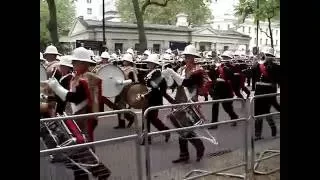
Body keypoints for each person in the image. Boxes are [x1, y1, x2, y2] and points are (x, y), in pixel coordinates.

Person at [47, 47, 111, 180]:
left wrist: (57, 88)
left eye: (76, 62)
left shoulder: (87, 78)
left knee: (83, 150)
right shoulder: (79, 77)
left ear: (84, 63)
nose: (74, 64)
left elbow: (76, 98)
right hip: (78, 117)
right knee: (80, 150)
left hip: (85, 118)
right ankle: (99, 173)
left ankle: (100, 172)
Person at [163, 45, 208, 163]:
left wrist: (172, 73)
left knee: (185, 129)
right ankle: (184, 154)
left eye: (189, 56)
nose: (187, 58)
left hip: (190, 101)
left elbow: (187, 83)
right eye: (186, 56)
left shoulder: (198, 70)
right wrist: (167, 76)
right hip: (179, 100)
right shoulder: (181, 69)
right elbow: (173, 85)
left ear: (194, 57)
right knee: (180, 129)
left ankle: (199, 146)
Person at [140, 54, 174, 145]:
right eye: (148, 62)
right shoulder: (150, 72)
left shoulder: (158, 73)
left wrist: (146, 94)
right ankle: (147, 138)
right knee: (146, 118)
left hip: (154, 98)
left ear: (154, 64)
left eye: (150, 63)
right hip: (148, 98)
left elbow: (155, 87)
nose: (148, 64)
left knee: (152, 119)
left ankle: (165, 131)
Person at [251, 48, 280, 140]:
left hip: (268, 91)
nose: (266, 57)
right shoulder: (258, 65)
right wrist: (254, 64)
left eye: (269, 55)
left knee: (266, 113)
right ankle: (258, 134)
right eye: (266, 55)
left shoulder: (276, 67)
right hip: (258, 91)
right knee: (257, 114)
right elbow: (251, 75)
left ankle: (273, 129)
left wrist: (270, 68)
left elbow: (277, 80)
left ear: (272, 57)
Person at [207, 51, 239, 129]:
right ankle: (214, 123)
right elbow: (212, 76)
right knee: (215, 107)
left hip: (226, 90)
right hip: (217, 89)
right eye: (223, 57)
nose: (224, 59)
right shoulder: (218, 66)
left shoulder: (231, 67)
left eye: (226, 57)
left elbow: (232, 77)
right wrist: (211, 68)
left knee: (227, 108)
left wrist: (225, 68)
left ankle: (234, 117)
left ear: (230, 59)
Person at [113, 54, 137, 129]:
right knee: (117, 106)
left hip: (126, 90)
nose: (124, 61)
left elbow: (133, 81)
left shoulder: (131, 70)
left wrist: (122, 82)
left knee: (121, 106)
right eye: (123, 60)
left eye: (125, 60)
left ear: (129, 61)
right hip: (119, 89)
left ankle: (126, 120)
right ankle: (127, 119)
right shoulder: (121, 68)